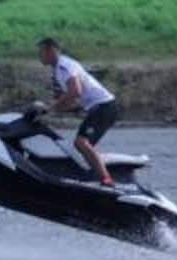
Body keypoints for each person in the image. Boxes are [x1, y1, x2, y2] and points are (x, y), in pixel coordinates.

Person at [36, 37, 120, 187]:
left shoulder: (64, 66)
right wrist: (48, 111)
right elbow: (73, 102)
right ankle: (97, 173)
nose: (39, 56)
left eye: (41, 52)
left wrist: (53, 108)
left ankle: (107, 180)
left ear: (51, 51)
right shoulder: (58, 70)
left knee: (81, 143)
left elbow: (75, 91)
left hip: (104, 106)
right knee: (82, 147)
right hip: (100, 107)